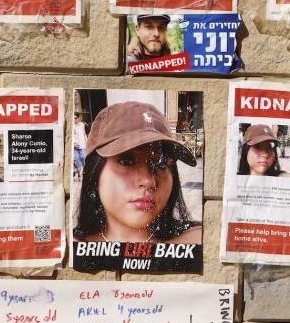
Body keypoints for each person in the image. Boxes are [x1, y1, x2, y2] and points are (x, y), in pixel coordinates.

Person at [73, 101, 200, 244]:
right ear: (94, 172)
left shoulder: (194, 241)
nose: (149, 181)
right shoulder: (71, 249)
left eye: (162, 163)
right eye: (126, 161)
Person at [72, 112, 87, 179]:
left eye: (75, 118)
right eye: (73, 118)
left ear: (78, 118)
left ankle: (84, 170)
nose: (74, 120)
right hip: (74, 145)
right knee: (76, 158)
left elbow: (84, 134)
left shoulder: (82, 125)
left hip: (82, 144)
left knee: (83, 157)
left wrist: (87, 142)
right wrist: (73, 143)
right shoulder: (72, 125)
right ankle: (80, 172)